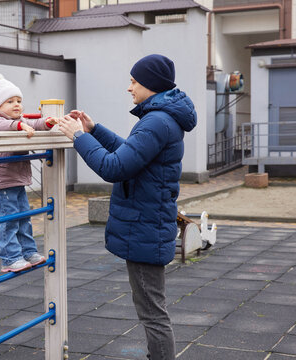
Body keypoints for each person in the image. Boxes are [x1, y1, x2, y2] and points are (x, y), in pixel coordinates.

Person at [58, 54, 197, 360]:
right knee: (151, 309)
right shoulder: (160, 118)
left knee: (153, 314)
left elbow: (114, 167)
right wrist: (94, 129)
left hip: (144, 227)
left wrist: (78, 137)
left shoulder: (157, 121)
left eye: (134, 81)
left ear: (151, 84)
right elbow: (131, 153)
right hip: (147, 224)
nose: (129, 87)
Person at [0, 72, 57, 272]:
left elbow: (34, 124)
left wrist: (47, 122)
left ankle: (28, 251)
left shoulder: (22, 120)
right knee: (10, 220)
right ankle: (10, 257)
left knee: (24, 217)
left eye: (18, 100)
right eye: (10, 101)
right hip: (3, 180)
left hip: (17, 180)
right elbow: (1, 126)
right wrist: (19, 125)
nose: (16, 105)